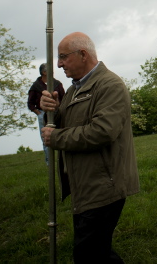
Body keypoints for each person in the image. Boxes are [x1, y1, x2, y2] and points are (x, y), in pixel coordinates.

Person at [39, 32, 139, 263]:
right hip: (85, 183)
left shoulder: (109, 85)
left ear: (83, 54)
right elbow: (65, 125)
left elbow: (102, 131)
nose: (59, 64)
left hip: (104, 184)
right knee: (96, 252)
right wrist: (51, 111)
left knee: (88, 253)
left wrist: (56, 138)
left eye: (63, 57)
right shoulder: (74, 89)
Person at [27, 63, 65, 164]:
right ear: (44, 72)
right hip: (43, 113)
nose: (52, 72)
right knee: (46, 137)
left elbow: (64, 98)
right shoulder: (36, 86)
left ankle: (62, 160)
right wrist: (39, 113)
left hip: (57, 112)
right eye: (49, 70)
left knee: (61, 134)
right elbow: (30, 103)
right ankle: (49, 161)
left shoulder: (57, 84)